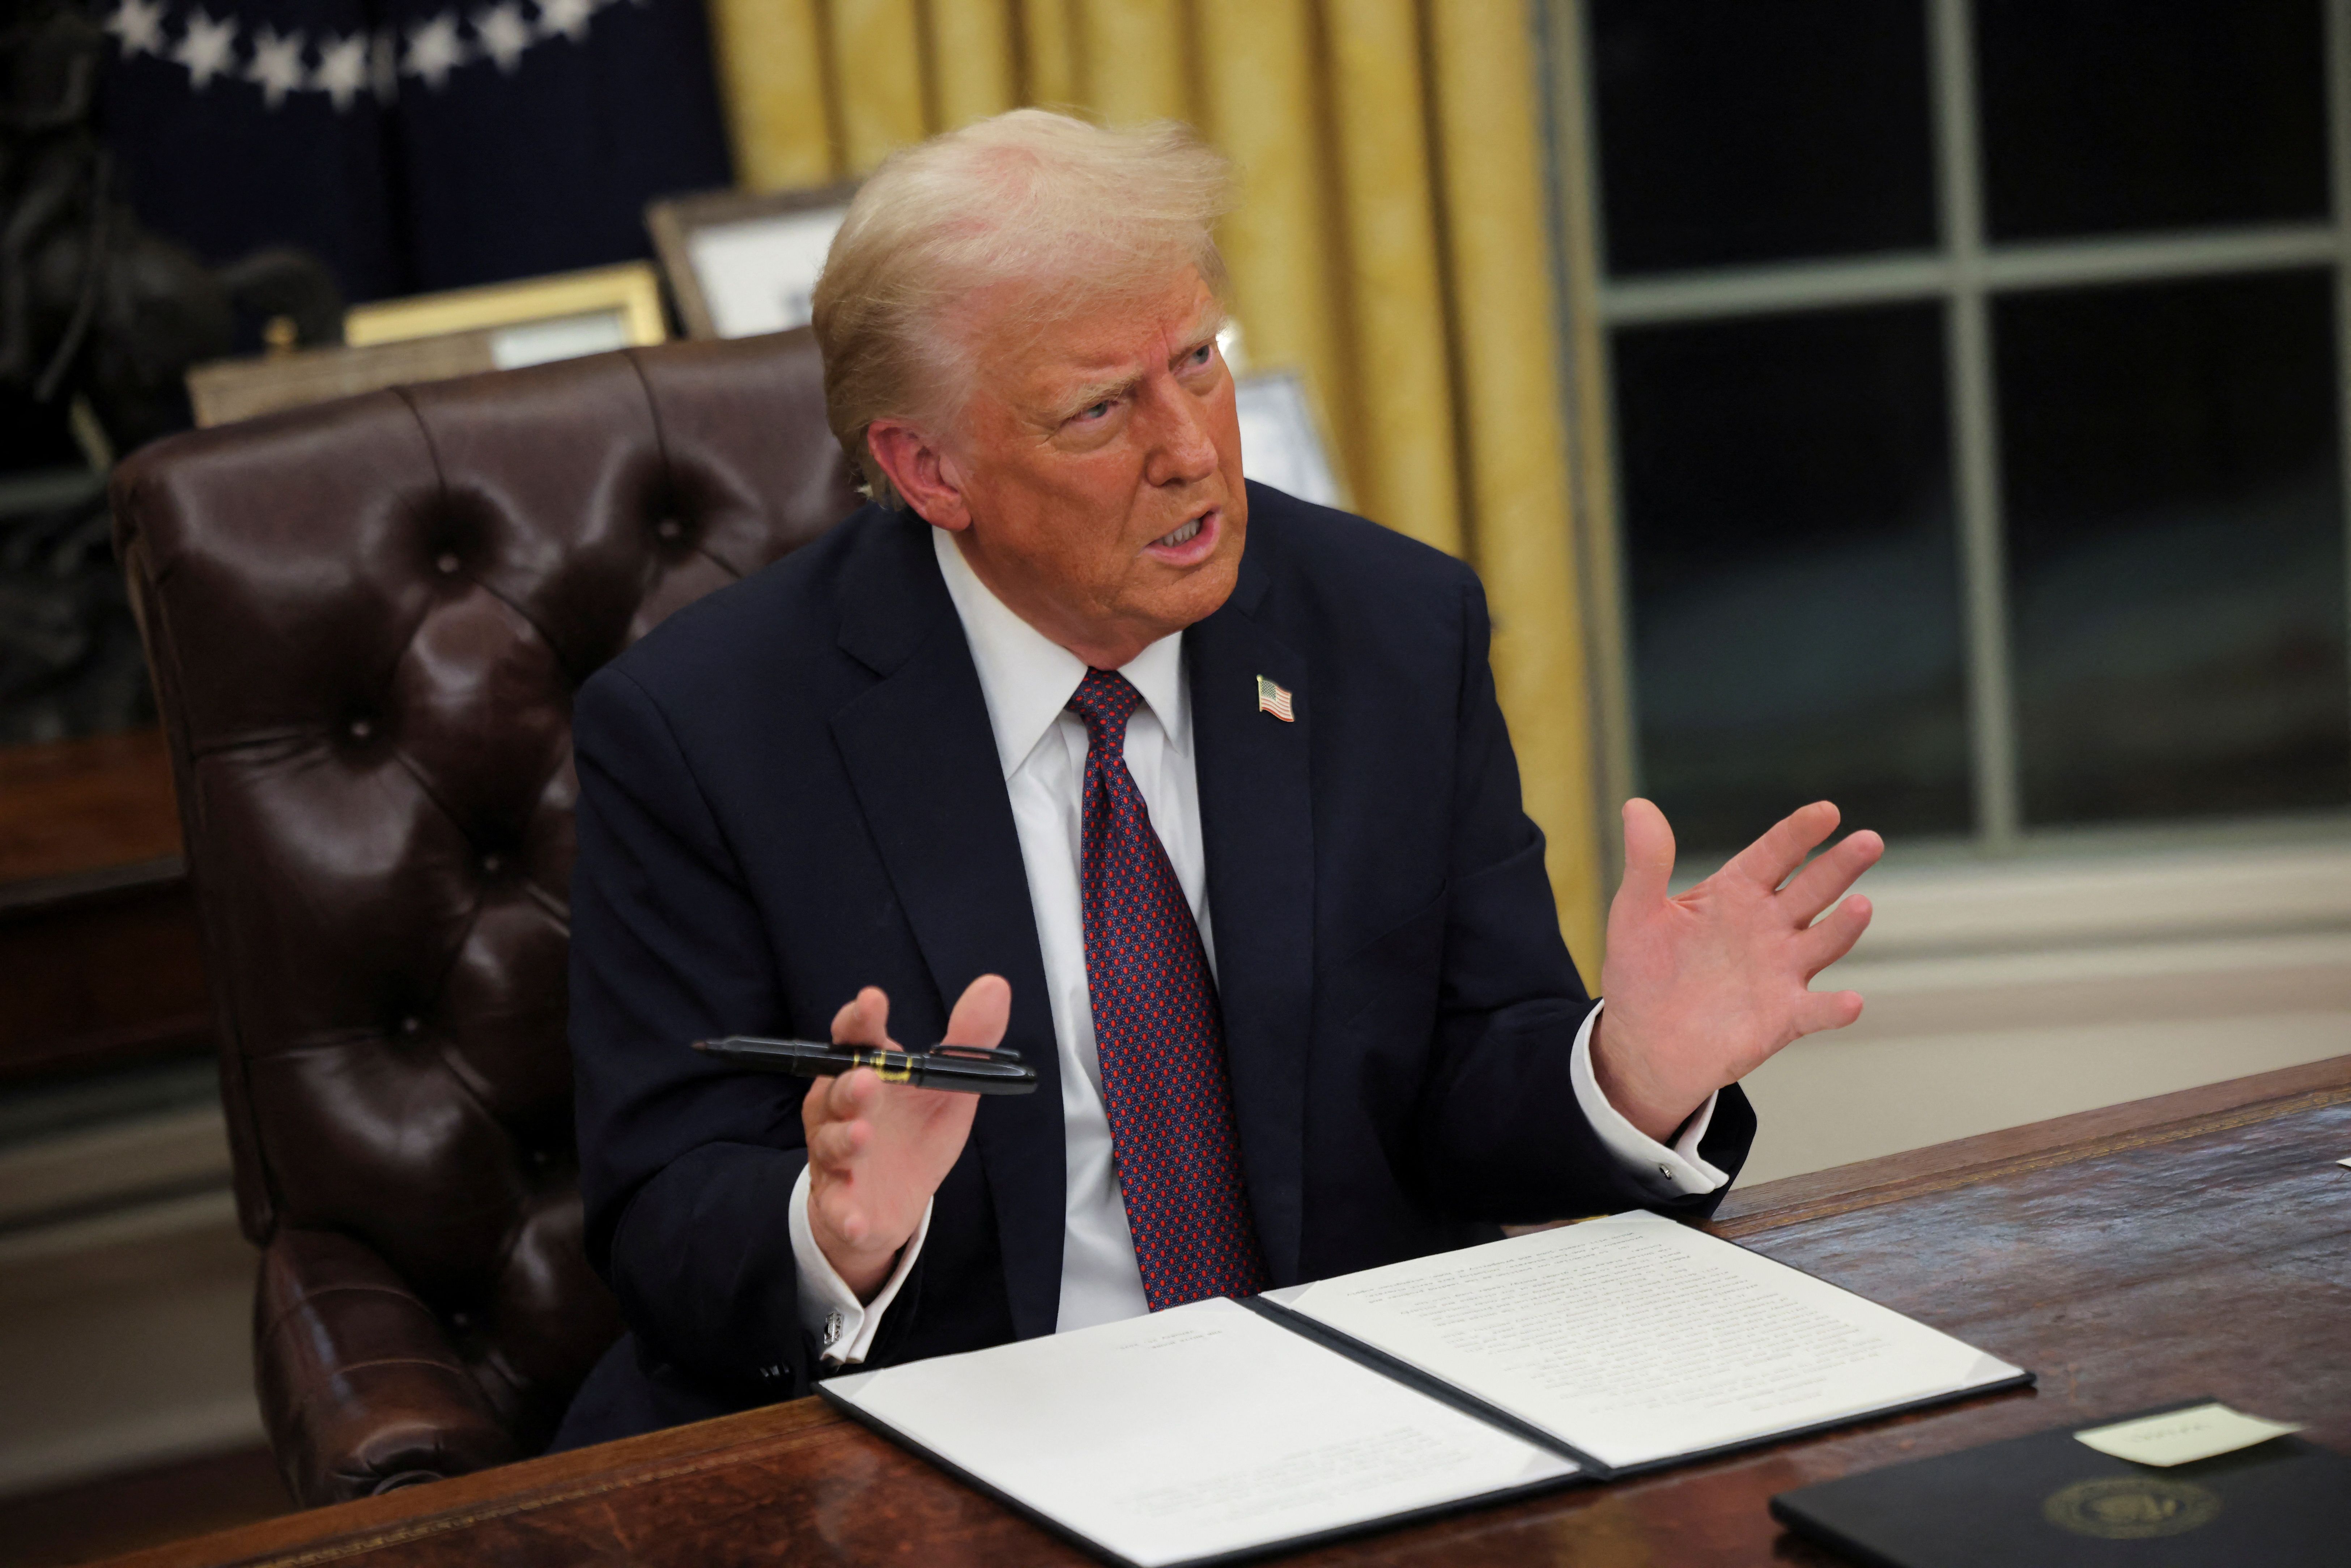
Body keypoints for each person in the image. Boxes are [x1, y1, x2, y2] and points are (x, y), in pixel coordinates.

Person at [553, 109, 1881, 1446]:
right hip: (944, 1437)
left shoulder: (1388, 628)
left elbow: (1464, 1086)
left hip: (1345, 1421)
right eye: (1098, 409)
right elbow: (664, 1208)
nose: (1189, 448)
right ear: (927, 468)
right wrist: (835, 1230)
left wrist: (1623, 1073)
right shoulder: (705, 729)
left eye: (1197, 360)